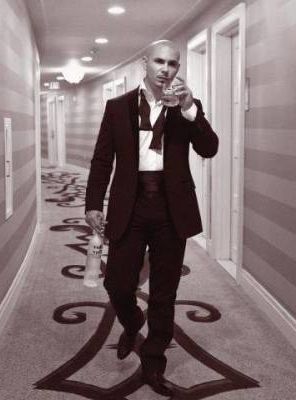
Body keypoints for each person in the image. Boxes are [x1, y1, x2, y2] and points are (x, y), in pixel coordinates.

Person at [84, 39, 218, 396]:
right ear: (145, 63)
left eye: (172, 64)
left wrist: (190, 110)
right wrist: (93, 202)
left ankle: (154, 360)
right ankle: (132, 322)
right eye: (159, 61)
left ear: (178, 68)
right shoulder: (118, 107)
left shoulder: (186, 107)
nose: (165, 69)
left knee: (164, 290)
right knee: (117, 283)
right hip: (130, 203)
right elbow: (102, 159)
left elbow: (209, 148)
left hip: (171, 207)